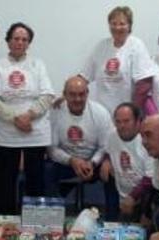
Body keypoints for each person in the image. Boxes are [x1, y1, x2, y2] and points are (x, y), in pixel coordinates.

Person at [0, 22, 55, 214]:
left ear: (29, 43)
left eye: (24, 39)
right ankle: (3, 227)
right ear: (8, 41)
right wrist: (16, 118)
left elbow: (48, 95)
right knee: (3, 186)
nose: (20, 42)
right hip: (5, 136)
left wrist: (29, 116)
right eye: (16, 38)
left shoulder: (37, 64)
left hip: (35, 134)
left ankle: (34, 229)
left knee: (35, 184)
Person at [47, 76, 112, 216]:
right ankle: (53, 218)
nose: (77, 99)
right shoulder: (55, 112)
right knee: (45, 170)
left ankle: (112, 219)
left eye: (82, 94)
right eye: (72, 94)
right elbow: (52, 149)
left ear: (87, 93)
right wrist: (72, 161)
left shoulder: (100, 113)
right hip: (66, 162)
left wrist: (92, 163)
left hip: (93, 163)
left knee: (111, 171)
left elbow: (104, 147)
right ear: (64, 95)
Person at [80, 6, 155, 114]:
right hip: (103, 113)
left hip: (126, 116)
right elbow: (84, 76)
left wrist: (132, 111)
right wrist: (66, 94)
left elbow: (144, 84)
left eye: (122, 24)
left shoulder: (136, 45)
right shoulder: (102, 46)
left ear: (129, 26)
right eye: (113, 23)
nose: (117, 27)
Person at [102, 103, 154, 222]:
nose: (122, 126)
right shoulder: (112, 135)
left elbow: (150, 179)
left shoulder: (147, 141)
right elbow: (107, 151)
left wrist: (133, 196)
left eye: (126, 121)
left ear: (138, 122)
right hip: (122, 195)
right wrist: (106, 160)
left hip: (143, 196)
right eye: (118, 122)